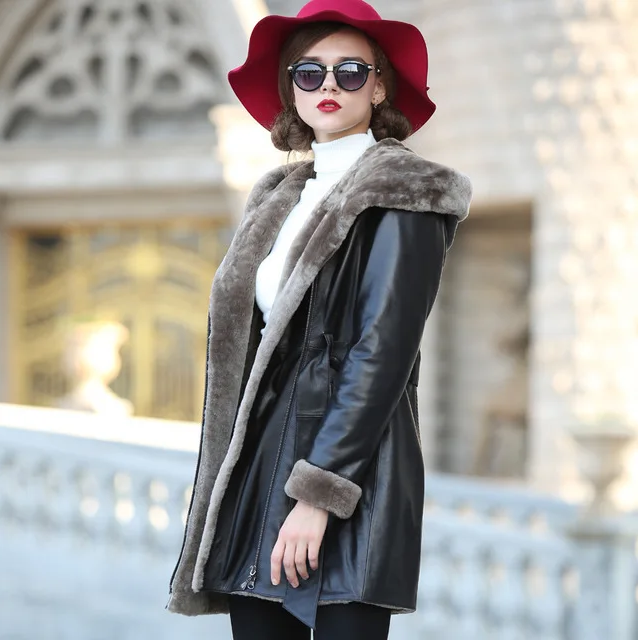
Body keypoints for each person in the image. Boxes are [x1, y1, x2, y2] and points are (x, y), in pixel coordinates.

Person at [167, 0, 472, 638]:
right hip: (260, 465)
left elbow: (381, 353)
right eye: (309, 72)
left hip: (352, 466)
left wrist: (319, 494)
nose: (328, 84)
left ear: (379, 86)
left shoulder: (405, 191)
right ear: (292, 90)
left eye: (350, 70)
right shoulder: (276, 199)